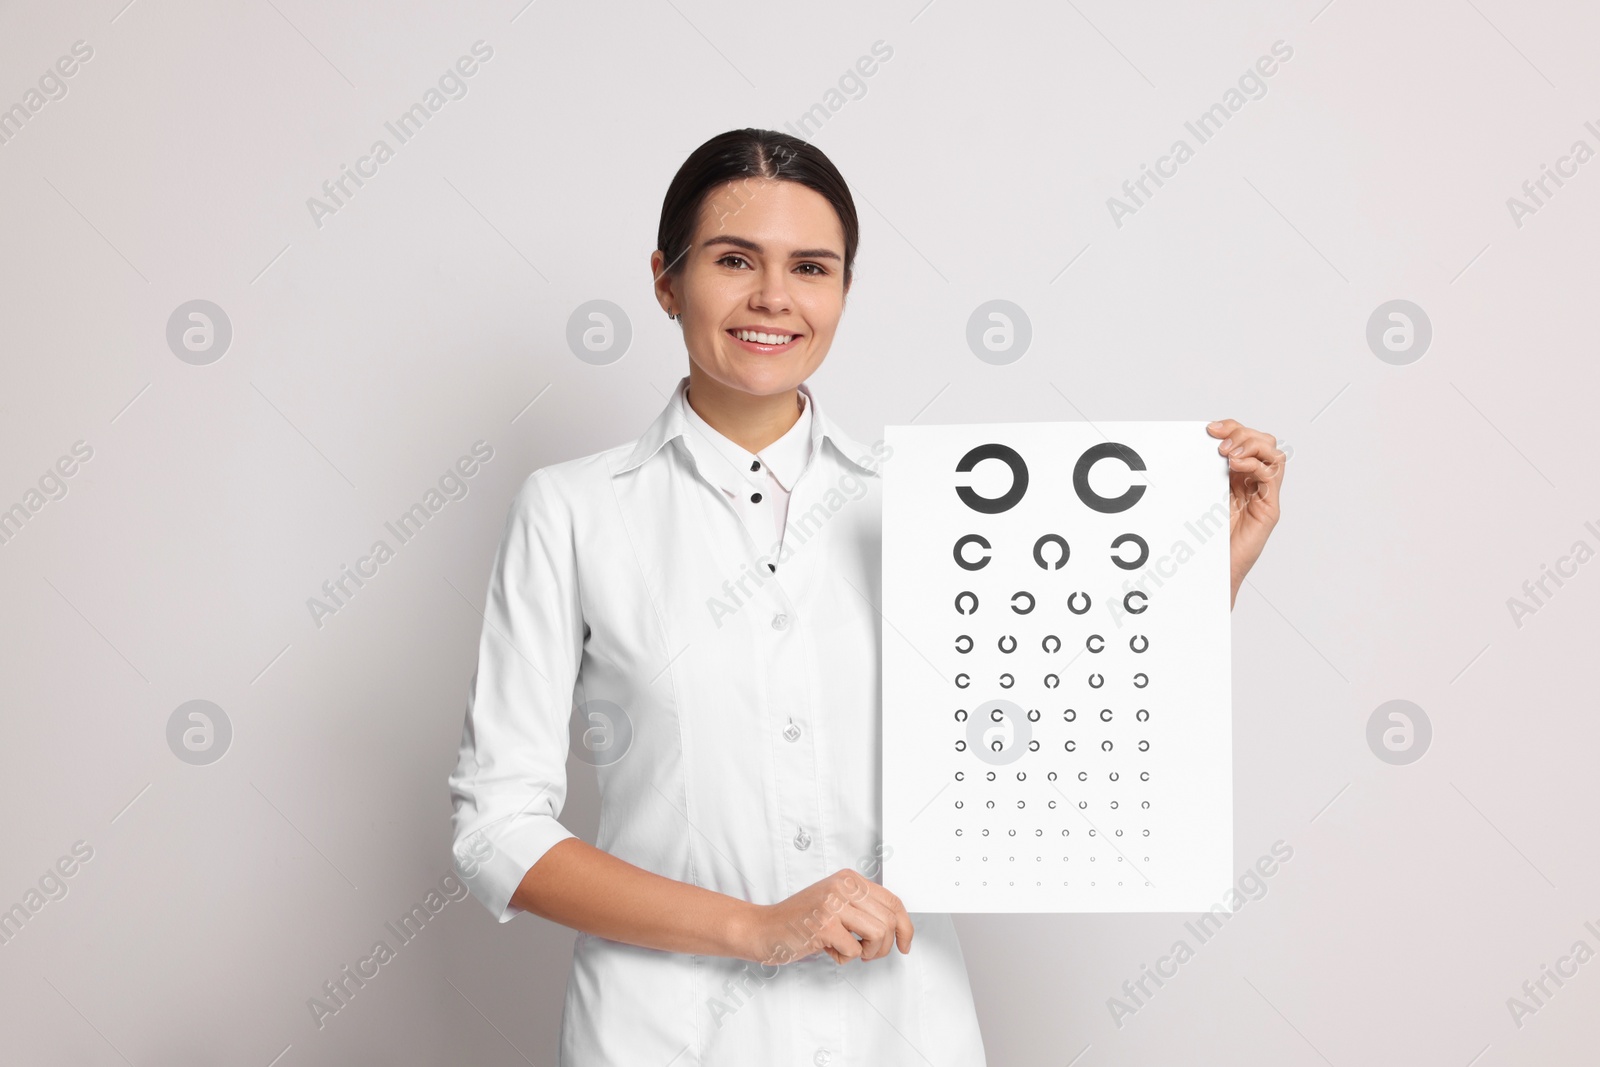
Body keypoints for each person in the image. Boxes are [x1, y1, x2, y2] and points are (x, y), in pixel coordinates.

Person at [447, 127, 1286, 1066]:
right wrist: (755, 927)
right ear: (665, 278)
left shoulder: (927, 505)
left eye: (811, 267)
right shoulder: (571, 510)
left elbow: (1048, 736)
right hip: (663, 1037)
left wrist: (1214, 572)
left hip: (902, 1027)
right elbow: (497, 829)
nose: (774, 297)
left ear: (843, 289)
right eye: (734, 260)